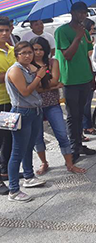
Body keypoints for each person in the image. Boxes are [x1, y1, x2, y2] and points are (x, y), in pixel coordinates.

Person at [30, 37, 85, 176]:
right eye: (35, 49)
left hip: (52, 104)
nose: (38, 52)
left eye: (41, 49)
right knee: (37, 137)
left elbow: (55, 80)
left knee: (61, 134)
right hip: (34, 106)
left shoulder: (52, 62)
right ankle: (44, 162)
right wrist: (50, 86)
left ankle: (70, 164)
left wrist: (40, 86)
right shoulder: (27, 65)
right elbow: (33, 89)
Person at [54, 2, 96, 160]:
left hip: (85, 77)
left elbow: (86, 55)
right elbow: (67, 55)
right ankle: (73, 148)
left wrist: (92, 75)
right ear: (72, 12)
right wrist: (77, 37)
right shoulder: (61, 31)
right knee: (73, 115)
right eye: (79, 12)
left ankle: (79, 143)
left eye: (84, 13)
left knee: (82, 113)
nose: (82, 15)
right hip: (70, 80)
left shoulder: (85, 31)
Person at [5, 41, 46, 202]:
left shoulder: (28, 67)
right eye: (24, 53)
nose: (28, 56)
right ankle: (14, 190)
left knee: (29, 146)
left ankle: (29, 176)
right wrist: (38, 77)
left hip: (34, 111)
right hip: (22, 112)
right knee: (17, 152)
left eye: (30, 52)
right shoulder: (15, 70)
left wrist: (36, 72)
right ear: (17, 55)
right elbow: (25, 91)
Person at [0, 17, 15, 192]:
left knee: (8, 138)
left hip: (11, 102)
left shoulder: (12, 50)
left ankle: (5, 171)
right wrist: (12, 74)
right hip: (0, 102)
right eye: (0, 31)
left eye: (6, 30)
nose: (4, 34)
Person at [81, 18, 96, 138]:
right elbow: (89, 56)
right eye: (91, 29)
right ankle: (87, 126)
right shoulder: (82, 40)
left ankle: (87, 125)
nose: (93, 32)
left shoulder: (88, 41)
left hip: (90, 74)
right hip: (86, 75)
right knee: (85, 104)